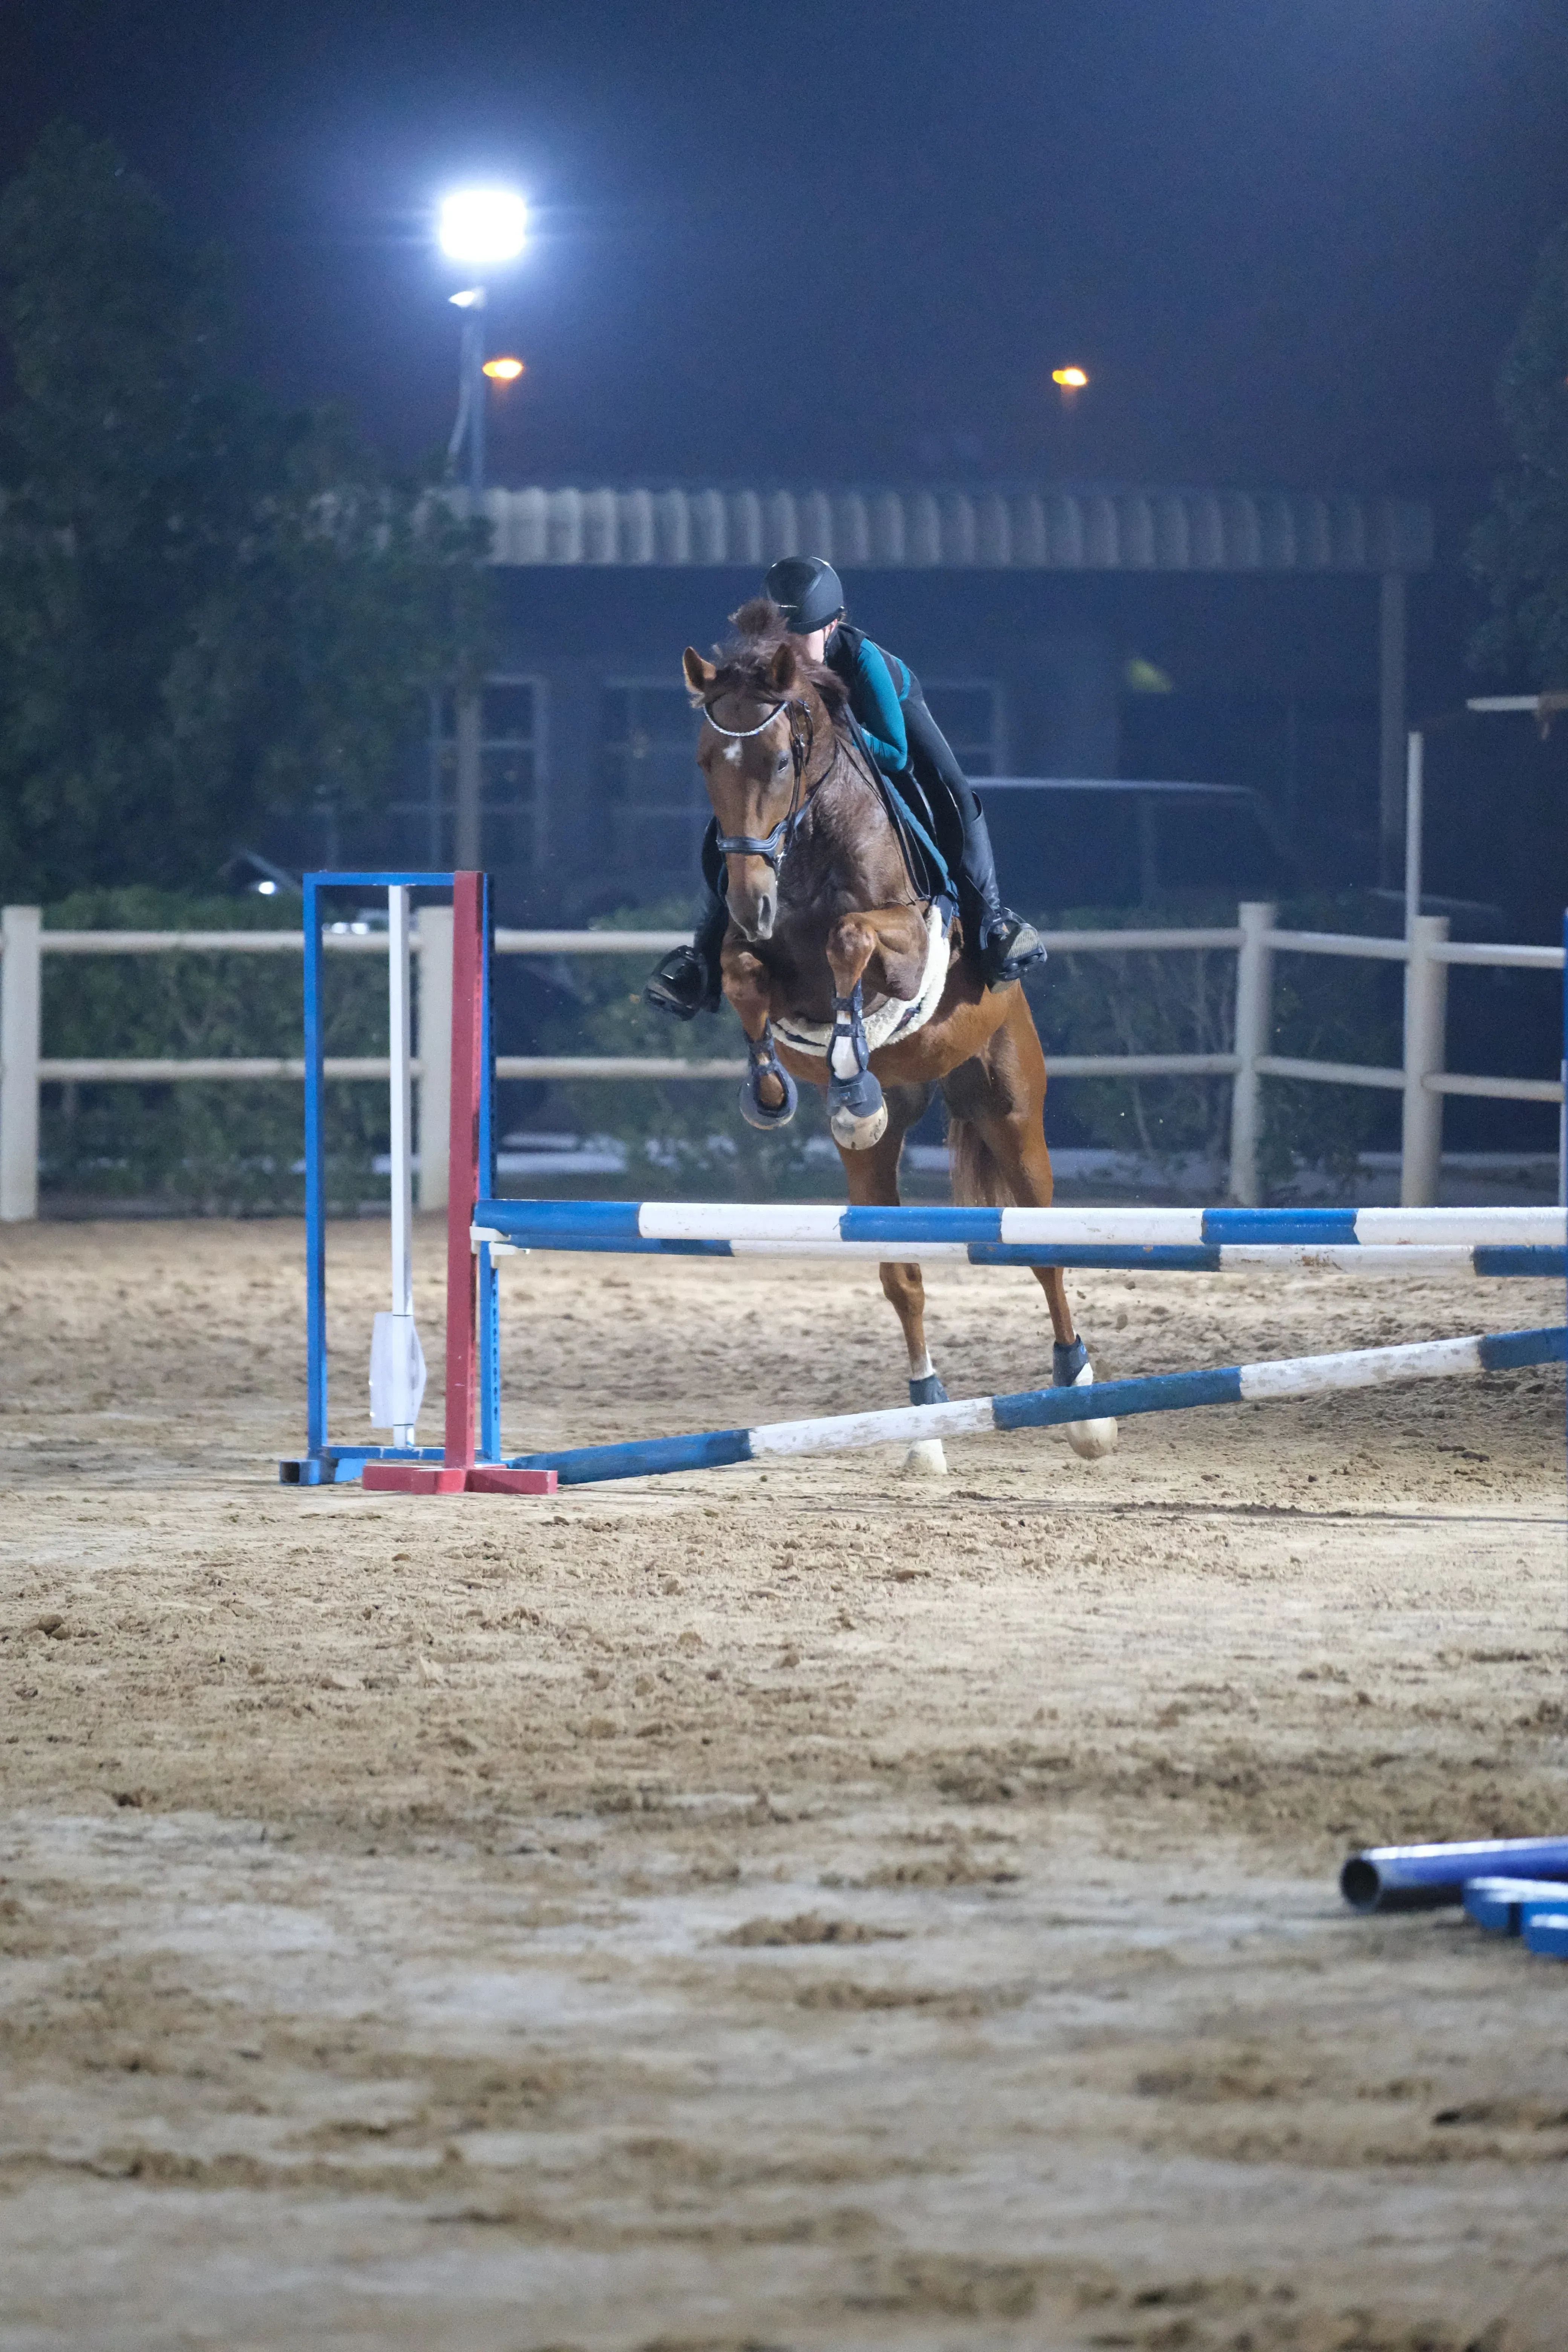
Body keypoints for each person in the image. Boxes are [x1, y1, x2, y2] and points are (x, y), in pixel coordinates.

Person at [645, 556, 1044, 1017]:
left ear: (832, 627)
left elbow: (895, 754)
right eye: (779, 639)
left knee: (953, 789)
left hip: (883, 725)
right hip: (805, 763)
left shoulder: (864, 661)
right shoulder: (762, 666)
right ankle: (700, 959)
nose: (788, 652)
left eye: (801, 637)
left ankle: (990, 924)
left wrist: (833, 732)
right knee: (737, 816)